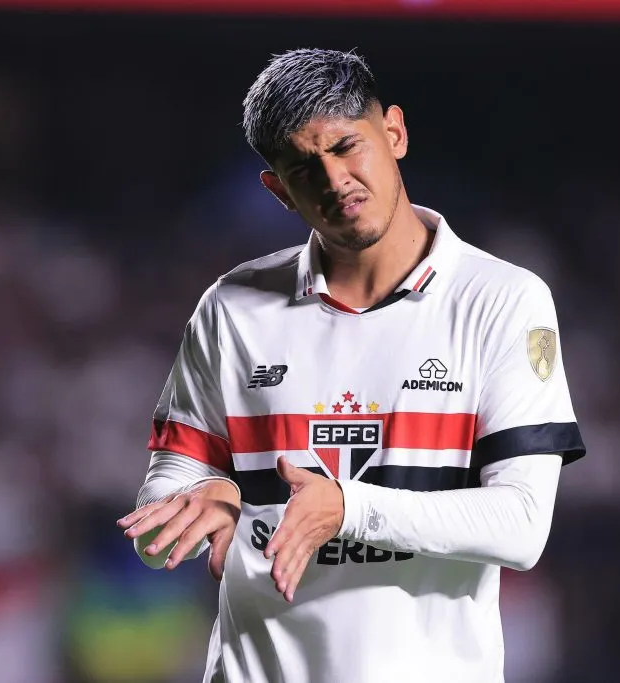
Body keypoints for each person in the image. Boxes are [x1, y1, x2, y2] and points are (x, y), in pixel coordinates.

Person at [117, 48, 585, 683]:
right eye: (304, 169)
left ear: (394, 133)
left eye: (346, 147)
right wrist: (201, 504)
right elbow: (158, 521)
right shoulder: (232, 308)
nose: (335, 180)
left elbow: (522, 527)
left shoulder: (502, 300)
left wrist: (348, 508)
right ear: (278, 191)